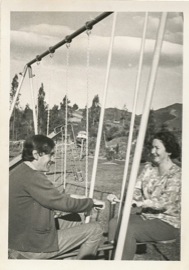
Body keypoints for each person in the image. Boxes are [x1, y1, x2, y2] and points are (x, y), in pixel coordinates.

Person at [9, 134, 105, 260]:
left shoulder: (18, 171)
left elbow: (49, 196)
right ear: (37, 154)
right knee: (96, 229)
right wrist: (90, 203)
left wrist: (75, 196)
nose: (53, 159)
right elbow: (63, 204)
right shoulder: (34, 177)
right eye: (51, 154)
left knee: (75, 218)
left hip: (19, 237)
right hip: (34, 246)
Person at [108, 131, 181, 260]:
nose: (153, 151)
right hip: (146, 217)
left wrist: (142, 203)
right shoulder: (149, 168)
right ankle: (113, 257)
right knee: (115, 223)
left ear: (169, 151)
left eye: (157, 148)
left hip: (167, 223)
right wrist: (118, 196)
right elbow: (135, 190)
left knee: (128, 229)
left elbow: (165, 202)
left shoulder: (176, 174)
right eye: (152, 147)